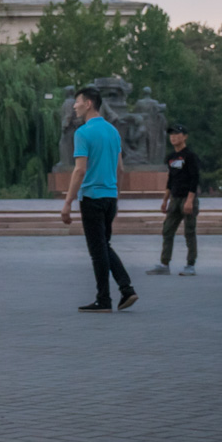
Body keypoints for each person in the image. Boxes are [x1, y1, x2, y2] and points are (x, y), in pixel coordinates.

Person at [60, 86, 138, 313]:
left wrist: (67, 203)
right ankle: (125, 289)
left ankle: (105, 299)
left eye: (78, 102)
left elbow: (79, 170)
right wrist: (116, 195)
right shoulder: (113, 131)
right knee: (104, 245)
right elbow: (120, 169)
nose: (74, 106)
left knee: (97, 250)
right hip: (109, 196)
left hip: (92, 197)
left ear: (89, 103)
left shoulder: (83, 133)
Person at [147, 124, 200, 277]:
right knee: (167, 230)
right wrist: (165, 200)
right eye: (171, 134)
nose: (173, 137)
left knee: (189, 232)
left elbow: (194, 179)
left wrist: (190, 200)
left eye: (177, 134)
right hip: (175, 199)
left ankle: (190, 264)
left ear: (185, 136)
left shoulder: (190, 156)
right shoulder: (171, 158)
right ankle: (164, 264)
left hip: (187, 198)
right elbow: (171, 179)